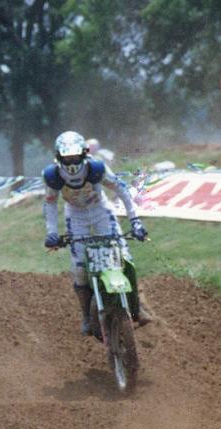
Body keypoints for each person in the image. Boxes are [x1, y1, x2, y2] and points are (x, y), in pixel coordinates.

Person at [42, 131, 151, 335]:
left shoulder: (96, 169)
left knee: (124, 256)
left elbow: (121, 190)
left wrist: (135, 220)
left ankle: (138, 305)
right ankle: (85, 314)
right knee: (79, 267)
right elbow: (49, 204)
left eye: (75, 156)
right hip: (75, 215)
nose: (72, 162)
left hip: (101, 210)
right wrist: (52, 233)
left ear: (84, 154)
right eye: (67, 158)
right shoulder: (53, 176)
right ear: (59, 156)